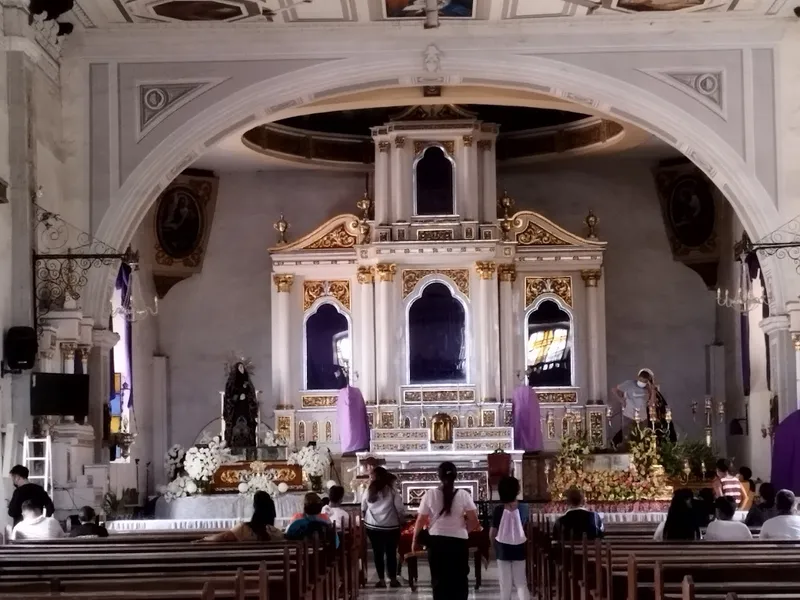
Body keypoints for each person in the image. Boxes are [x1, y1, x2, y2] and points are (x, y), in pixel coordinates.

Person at [412, 462, 480, 600]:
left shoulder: (430, 494)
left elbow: (421, 520)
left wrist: (414, 540)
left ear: (439, 476)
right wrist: (463, 530)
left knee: (439, 579)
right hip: (459, 542)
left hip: (437, 542)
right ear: (456, 476)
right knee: (460, 578)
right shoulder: (463, 495)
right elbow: (474, 520)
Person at [361, 467, 404, 588]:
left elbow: (363, 507)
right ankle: (393, 579)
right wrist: (402, 519)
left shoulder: (369, 490)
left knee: (377, 552)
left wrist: (366, 517)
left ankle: (381, 580)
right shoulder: (392, 490)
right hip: (391, 526)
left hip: (373, 526)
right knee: (391, 553)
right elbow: (399, 508)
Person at [490, 476, 529, 600]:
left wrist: (492, 547)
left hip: (502, 550)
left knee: (505, 584)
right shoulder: (524, 508)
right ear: (517, 491)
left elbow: (492, 532)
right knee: (521, 583)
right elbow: (526, 528)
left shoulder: (498, 510)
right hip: (520, 548)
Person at [203, 491, 282, 542]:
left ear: (255, 507)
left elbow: (224, 537)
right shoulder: (277, 533)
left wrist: (205, 539)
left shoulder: (243, 528)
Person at [611, 368, 661, 446]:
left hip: (642, 417)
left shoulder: (648, 388)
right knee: (627, 438)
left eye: (644, 381)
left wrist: (652, 389)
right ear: (638, 378)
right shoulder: (629, 383)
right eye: (641, 380)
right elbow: (614, 390)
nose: (642, 383)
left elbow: (651, 403)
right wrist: (621, 400)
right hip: (629, 415)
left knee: (642, 438)